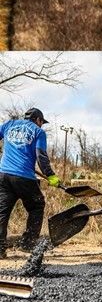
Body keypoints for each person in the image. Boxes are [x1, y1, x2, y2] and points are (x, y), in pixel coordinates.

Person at [0, 108, 60, 258]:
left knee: (2, 212)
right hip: (24, 177)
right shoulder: (38, 132)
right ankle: (27, 244)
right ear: (38, 120)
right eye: (42, 122)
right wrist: (50, 175)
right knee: (36, 206)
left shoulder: (9, 125)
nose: (42, 125)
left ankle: (0, 250)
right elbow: (41, 156)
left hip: (3, 175)